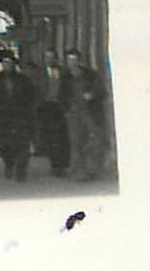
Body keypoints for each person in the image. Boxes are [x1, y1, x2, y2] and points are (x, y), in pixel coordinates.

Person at [0, 48, 38, 181]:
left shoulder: (23, 80)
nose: (7, 65)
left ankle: (21, 171)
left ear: (14, 64)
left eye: (9, 63)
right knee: (5, 143)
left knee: (22, 142)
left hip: (21, 115)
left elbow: (32, 96)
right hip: (4, 115)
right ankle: (9, 164)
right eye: (4, 63)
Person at [60, 49, 106, 181]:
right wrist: (65, 109)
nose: (72, 63)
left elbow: (101, 91)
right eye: (69, 60)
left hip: (90, 112)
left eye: (74, 60)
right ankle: (80, 172)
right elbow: (61, 95)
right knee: (76, 142)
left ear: (79, 61)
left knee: (95, 140)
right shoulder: (65, 77)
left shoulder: (91, 75)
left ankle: (92, 168)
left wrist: (92, 95)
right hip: (73, 114)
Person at [35, 48, 70, 176]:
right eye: (47, 57)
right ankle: (54, 164)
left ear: (56, 58)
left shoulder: (63, 72)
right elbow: (35, 89)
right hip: (46, 107)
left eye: (51, 57)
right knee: (50, 136)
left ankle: (61, 164)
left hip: (60, 107)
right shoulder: (39, 73)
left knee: (61, 136)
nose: (49, 60)